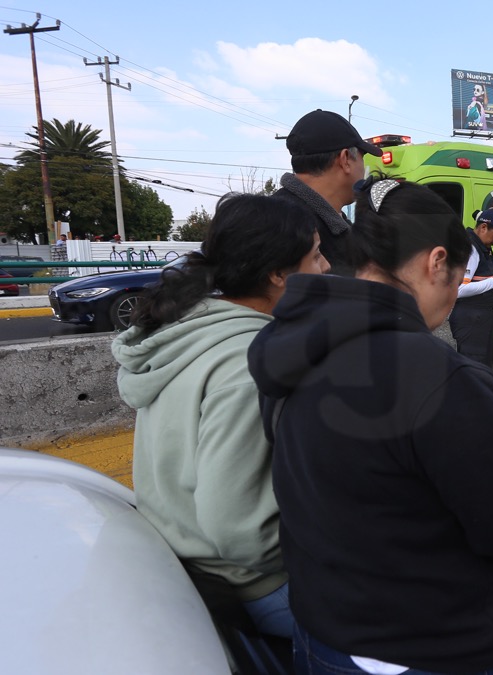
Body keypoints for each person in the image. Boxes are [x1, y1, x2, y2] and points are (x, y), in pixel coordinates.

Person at [247, 177, 493, 675]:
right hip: (426, 644)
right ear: (435, 263)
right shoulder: (441, 376)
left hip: (322, 629)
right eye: (454, 281)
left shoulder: (288, 346)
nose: (452, 298)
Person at [111, 194, 330, 638]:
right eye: (317, 254)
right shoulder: (251, 362)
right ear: (278, 275)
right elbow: (238, 528)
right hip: (255, 585)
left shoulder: (188, 331)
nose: (326, 267)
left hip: (182, 553)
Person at [277, 109, 382, 276]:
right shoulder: (293, 231)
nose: (364, 167)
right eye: (363, 157)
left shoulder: (277, 216)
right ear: (345, 159)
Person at [450, 208, 493, 366]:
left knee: (480, 367)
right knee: (474, 368)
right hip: (471, 319)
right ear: (483, 227)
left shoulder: (481, 246)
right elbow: (458, 290)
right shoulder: (471, 249)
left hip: (479, 317)